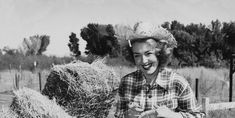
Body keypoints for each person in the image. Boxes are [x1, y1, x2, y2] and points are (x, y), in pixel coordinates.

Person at [114, 22, 205, 118]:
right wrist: (127, 115)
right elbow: (118, 115)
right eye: (137, 55)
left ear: (160, 53)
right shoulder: (126, 82)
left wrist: (172, 115)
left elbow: (199, 116)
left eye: (148, 53)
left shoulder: (177, 83)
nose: (144, 61)